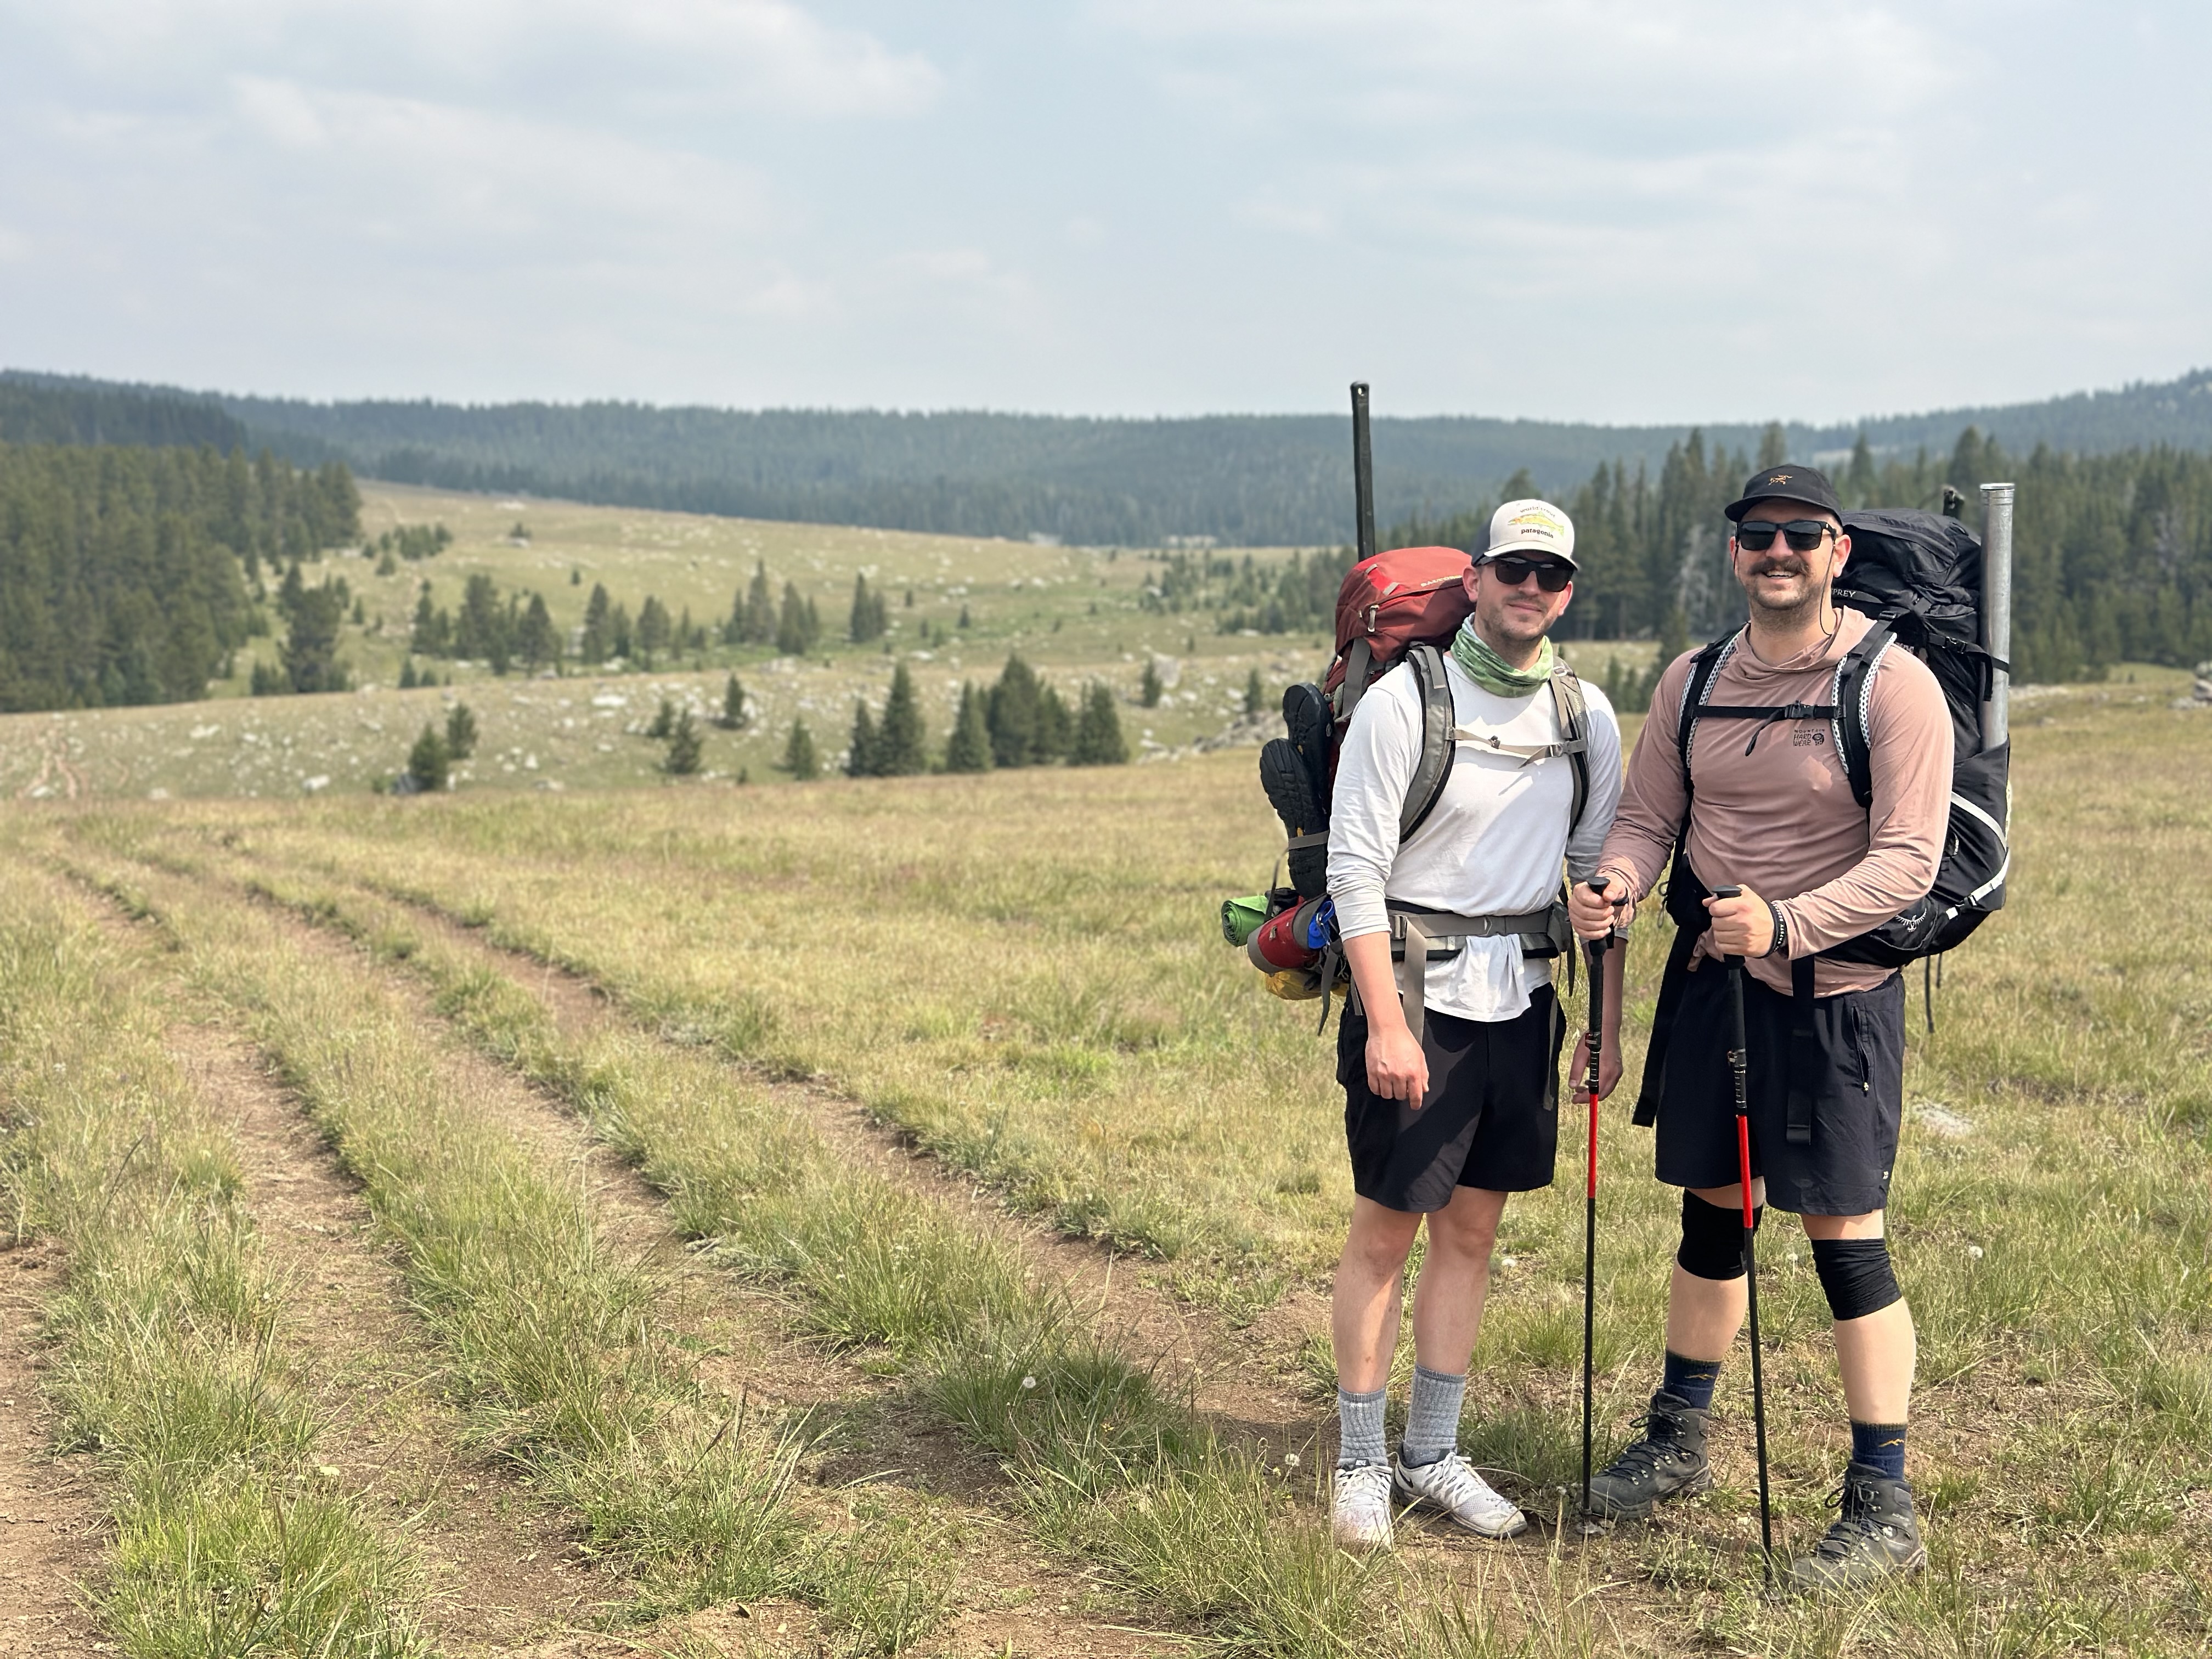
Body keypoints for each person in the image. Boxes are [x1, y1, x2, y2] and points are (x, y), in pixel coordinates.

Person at [1570, 464, 1952, 1590]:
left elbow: (1908, 863)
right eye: (1757, 536)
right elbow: (1648, 817)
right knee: (1713, 1215)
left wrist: (1786, 922)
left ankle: (1884, 1501)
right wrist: (1620, 883)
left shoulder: (1894, 687)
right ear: (1734, 553)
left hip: (1834, 1001)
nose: (1776, 552)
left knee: (1846, 1242)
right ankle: (1680, 1438)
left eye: (1800, 536)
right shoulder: (1693, 681)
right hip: (1715, 988)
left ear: (1838, 551)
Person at [1328, 499, 1624, 1550]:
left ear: (1568, 589)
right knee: (1384, 1234)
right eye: (1512, 570)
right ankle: (1361, 1462)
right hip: (1414, 1001)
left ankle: (1432, 1452)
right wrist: (1383, 1026)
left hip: (1526, 1005)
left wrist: (1607, 1013)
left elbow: (1597, 873)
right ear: (1480, 576)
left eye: (1549, 574)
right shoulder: (1407, 701)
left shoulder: (1587, 717)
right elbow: (1355, 872)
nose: (1529, 590)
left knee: (1473, 1232)